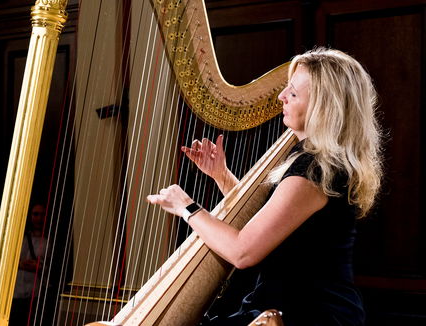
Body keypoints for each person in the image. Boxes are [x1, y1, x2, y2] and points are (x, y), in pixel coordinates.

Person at [147, 47, 383, 326]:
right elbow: (273, 221)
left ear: (323, 107)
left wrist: (186, 207)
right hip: (298, 304)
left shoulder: (315, 171)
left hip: (308, 313)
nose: (281, 97)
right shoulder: (321, 162)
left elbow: (242, 252)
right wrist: (222, 176)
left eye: (293, 94)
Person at [10, 203, 48, 326]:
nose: (39, 218)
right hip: (15, 292)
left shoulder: (49, 241)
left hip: (34, 294)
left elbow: (47, 266)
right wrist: (22, 264)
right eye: (35, 214)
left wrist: (36, 266)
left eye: (42, 215)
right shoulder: (20, 237)